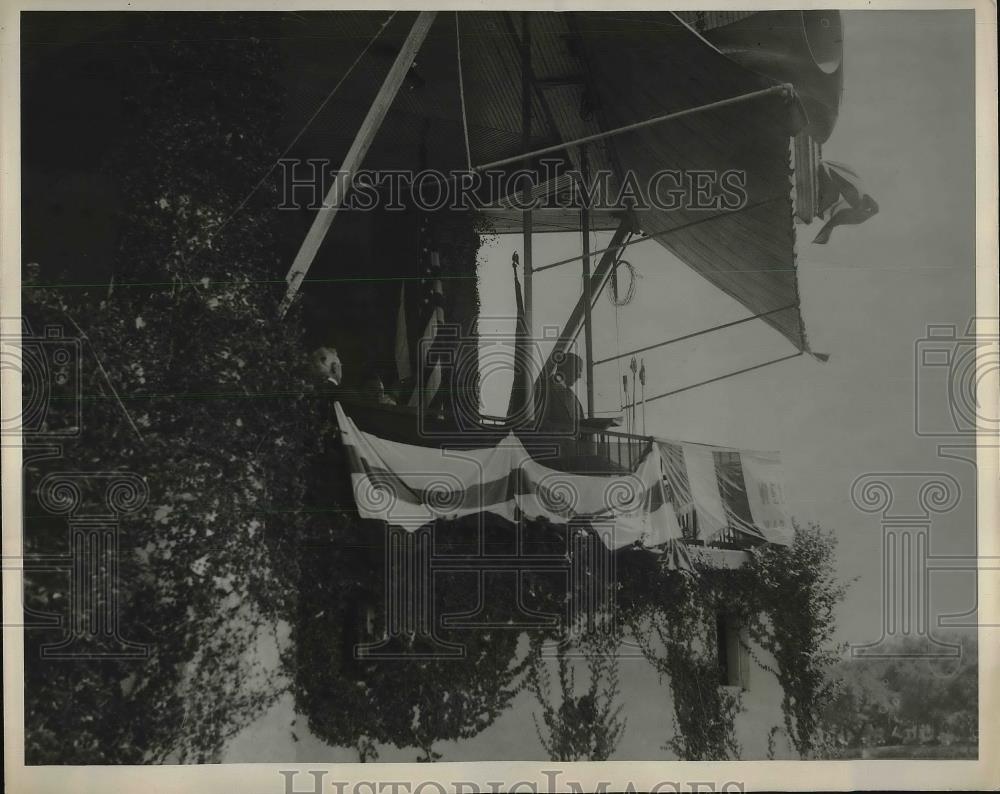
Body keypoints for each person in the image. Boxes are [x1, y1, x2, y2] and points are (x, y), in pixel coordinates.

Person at [537, 352, 585, 433]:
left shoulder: (574, 398)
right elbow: (540, 423)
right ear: (567, 368)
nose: (580, 376)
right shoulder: (544, 388)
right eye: (578, 370)